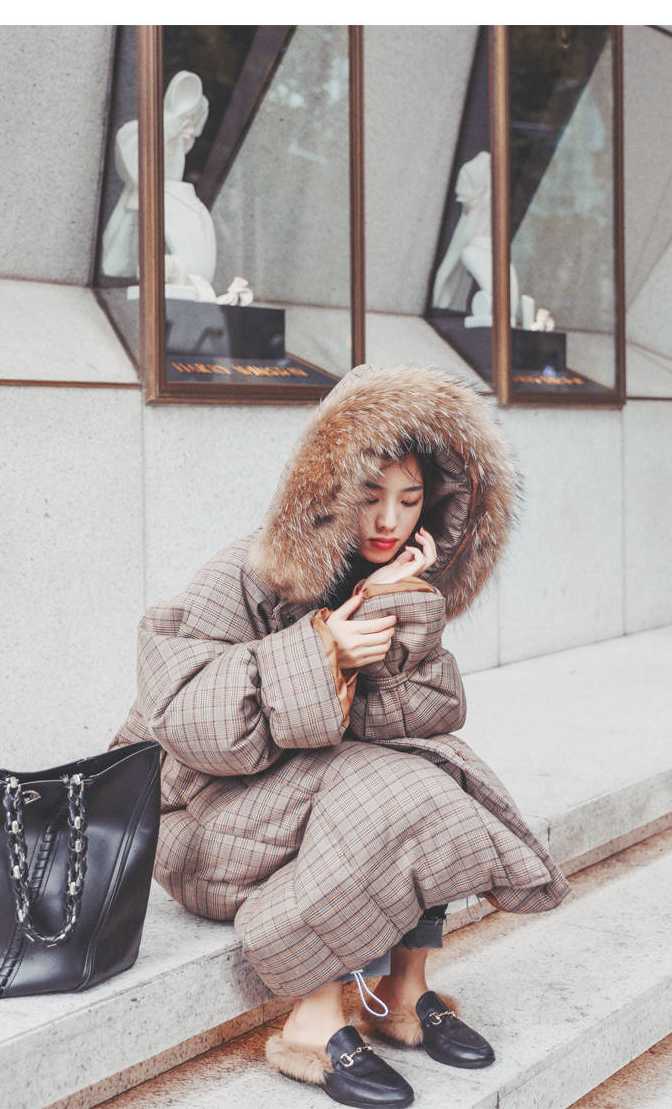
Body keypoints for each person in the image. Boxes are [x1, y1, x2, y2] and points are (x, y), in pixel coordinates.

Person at [110, 364, 570, 1108]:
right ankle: (314, 1019)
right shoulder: (247, 571)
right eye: (370, 495)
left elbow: (428, 717)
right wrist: (323, 648)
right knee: (385, 788)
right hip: (193, 817)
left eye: (410, 501)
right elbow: (187, 715)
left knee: (434, 765)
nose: (389, 520)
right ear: (327, 491)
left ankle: (402, 991)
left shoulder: (385, 577)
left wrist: (404, 613)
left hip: (281, 809)